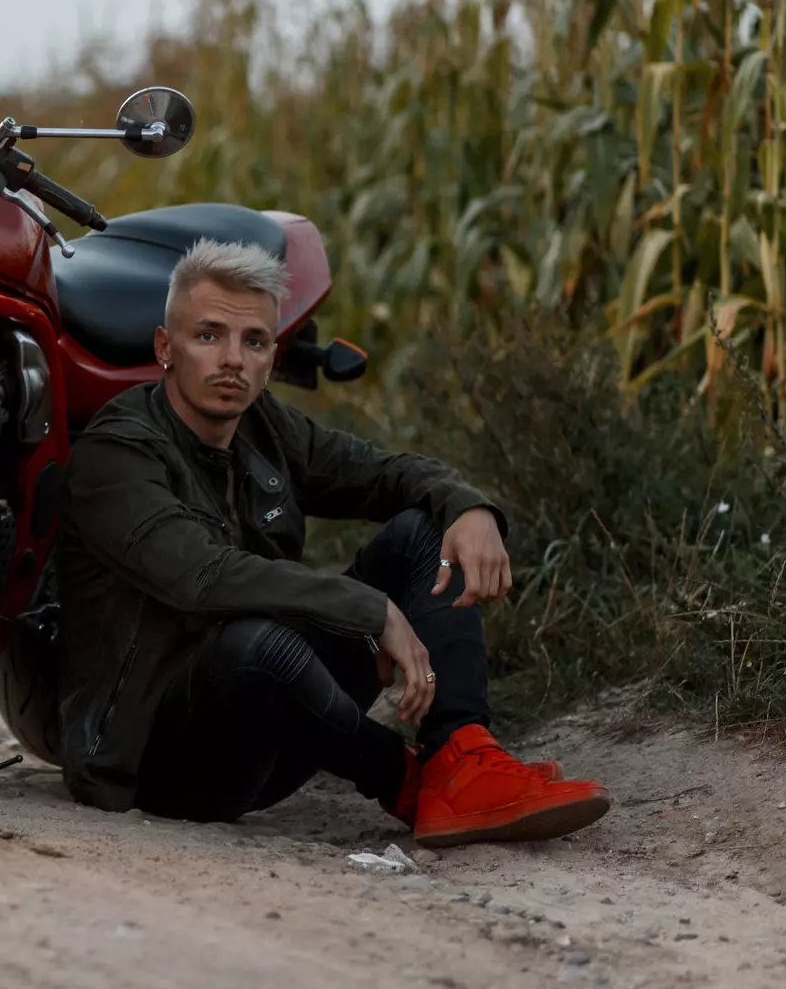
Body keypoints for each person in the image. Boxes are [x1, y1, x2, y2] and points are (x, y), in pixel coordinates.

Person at [54, 238, 611, 847]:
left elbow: (386, 474)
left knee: (420, 531)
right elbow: (203, 576)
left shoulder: (266, 426)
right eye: (209, 336)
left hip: (270, 731)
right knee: (255, 642)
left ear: (272, 357)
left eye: (254, 341)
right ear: (166, 348)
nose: (233, 360)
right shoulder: (117, 451)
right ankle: (410, 783)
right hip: (157, 761)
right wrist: (369, 611)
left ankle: (463, 759)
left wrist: (467, 505)